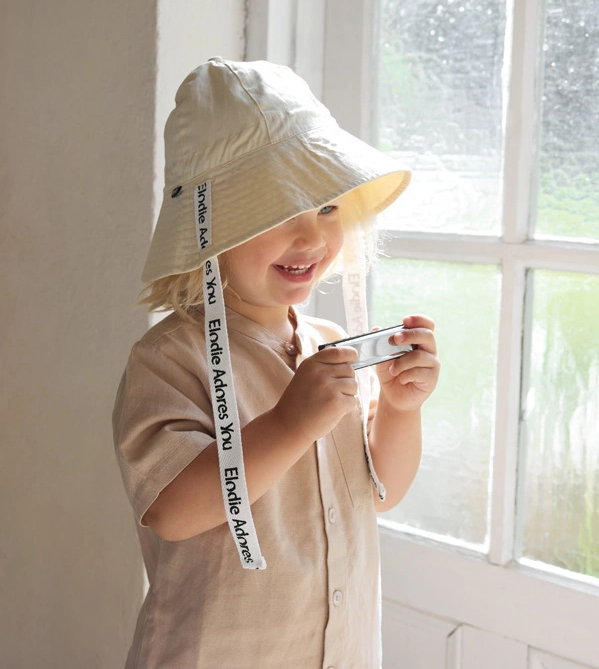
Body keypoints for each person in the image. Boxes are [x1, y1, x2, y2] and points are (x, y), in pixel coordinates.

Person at [112, 58, 441, 668]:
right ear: (211, 229)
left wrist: (401, 408)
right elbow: (172, 511)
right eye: (278, 212)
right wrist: (290, 424)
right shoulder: (170, 359)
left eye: (327, 209)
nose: (311, 238)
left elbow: (379, 491)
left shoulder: (331, 345)